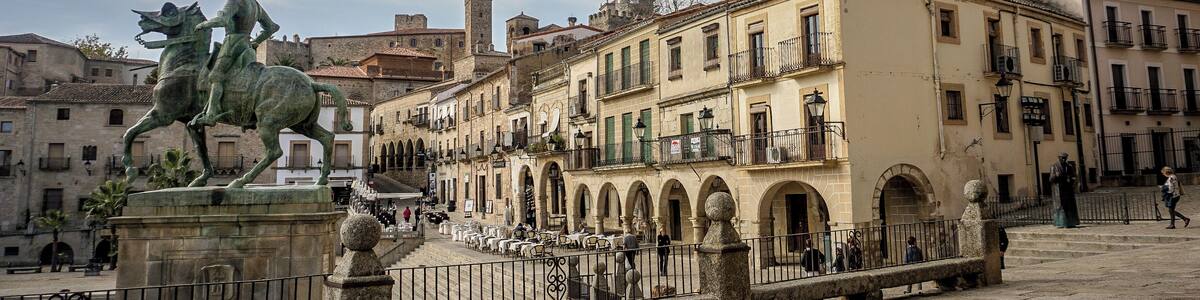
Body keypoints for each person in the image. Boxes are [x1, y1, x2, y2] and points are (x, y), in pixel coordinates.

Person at [189, 0, 279, 126]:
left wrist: (203, 24)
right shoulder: (255, 5)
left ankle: (211, 114)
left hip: (232, 44)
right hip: (247, 46)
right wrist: (257, 41)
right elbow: (272, 27)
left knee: (216, 76)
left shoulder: (235, 1)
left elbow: (222, 20)